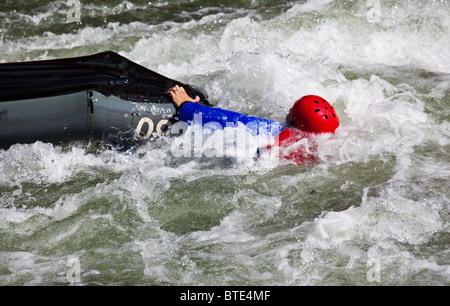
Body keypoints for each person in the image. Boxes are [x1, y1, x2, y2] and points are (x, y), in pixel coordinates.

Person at [167, 85, 340, 165]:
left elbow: (232, 120)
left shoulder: (275, 132)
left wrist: (188, 107)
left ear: (293, 120)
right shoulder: (325, 147)